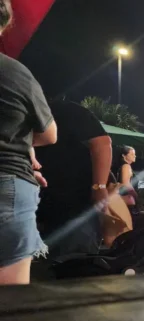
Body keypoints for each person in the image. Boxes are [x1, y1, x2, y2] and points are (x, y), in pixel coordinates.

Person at [0, 0, 58, 285]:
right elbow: (50, 134)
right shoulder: (15, 73)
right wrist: (23, 144)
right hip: (8, 185)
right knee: (11, 306)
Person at [36, 100, 112, 259]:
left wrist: (99, 187)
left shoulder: (64, 109)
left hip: (73, 205)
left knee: (74, 266)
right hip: (38, 204)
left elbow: (102, 142)